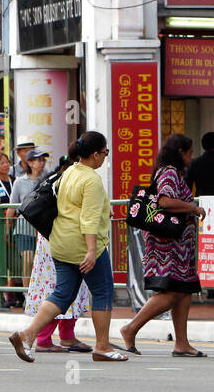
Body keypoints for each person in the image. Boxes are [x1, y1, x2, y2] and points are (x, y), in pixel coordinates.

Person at [9, 132, 126, 363]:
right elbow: (89, 218)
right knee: (102, 292)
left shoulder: (68, 172)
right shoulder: (91, 179)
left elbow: (73, 207)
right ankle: (102, 346)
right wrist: (91, 251)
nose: (105, 157)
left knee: (63, 294)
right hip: (84, 245)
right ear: (95, 154)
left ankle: (27, 334)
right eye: (105, 153)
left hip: (61, 244)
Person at [120, 134, 208, 356]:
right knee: (171, 292)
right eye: (190, 152)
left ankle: (182, 343)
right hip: (167, 245)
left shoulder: (174, 173)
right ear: (180, 152)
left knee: (185, 289)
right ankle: (130, 329)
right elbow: (164, 201)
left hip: (180, 247)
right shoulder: (169, 172)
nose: (192, 156)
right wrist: (192, 208)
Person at [18, 152, 93, 352]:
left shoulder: (53, 179)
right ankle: (43, 336)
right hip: (62, 240)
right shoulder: (68, 181)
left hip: (53, 239)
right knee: (61, 288)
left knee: (67, 287)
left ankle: (66, 334)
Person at [6, 150, 49, 309]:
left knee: (42, 261)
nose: (41, 163)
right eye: (38, 160)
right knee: (28, 260)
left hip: (43, 227)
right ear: (29, 163)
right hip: (24, 227)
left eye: (43, 160)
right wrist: (6, 229)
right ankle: (27, 294)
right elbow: (12, 206)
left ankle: (41, 294)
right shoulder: (19, 181)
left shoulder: (47, 180)